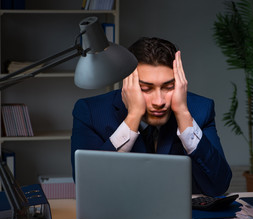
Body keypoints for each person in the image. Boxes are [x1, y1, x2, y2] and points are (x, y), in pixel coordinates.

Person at [71, 37, 232, 196]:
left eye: (169, 87)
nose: (159, 101)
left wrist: (183, 113)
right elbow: (89, 187)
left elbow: (219, 185)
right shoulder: (90, 112)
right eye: (146, 88)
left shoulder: (200, 109)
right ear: (128, 84)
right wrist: (133, 117)